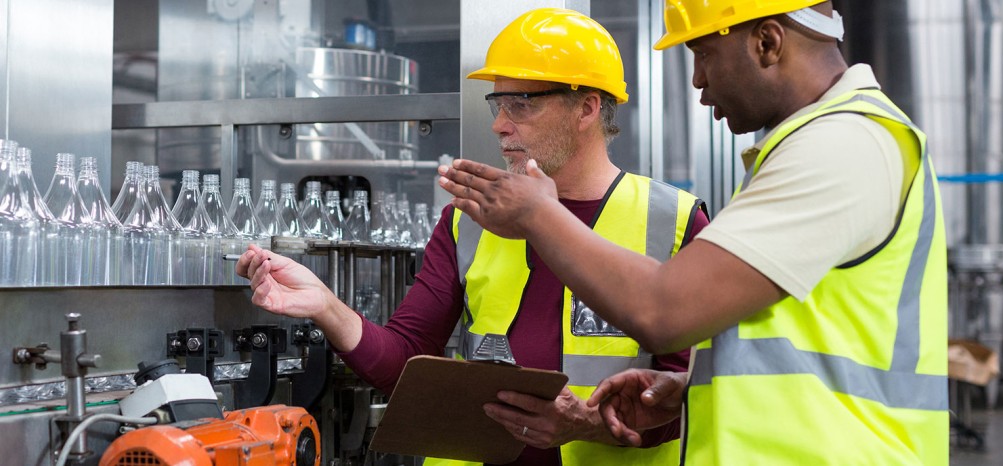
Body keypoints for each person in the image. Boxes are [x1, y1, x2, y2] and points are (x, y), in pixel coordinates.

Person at [437, 1, 948, 464]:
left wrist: (536, 214)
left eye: (703, 54)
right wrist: (695, 388)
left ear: (767, 42)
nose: (699, 82)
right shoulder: (817, 144)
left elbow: (664, 312)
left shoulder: (843, 145)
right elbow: (805, 344)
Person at [236, 8, 708, 466]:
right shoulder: (468, 222)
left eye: (522, 104)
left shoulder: (674, 222)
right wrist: (324, 305)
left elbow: (700, 396)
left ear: (586, 108)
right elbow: (406, 363)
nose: (500, 124)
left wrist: (586, 424)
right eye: (498, 105)